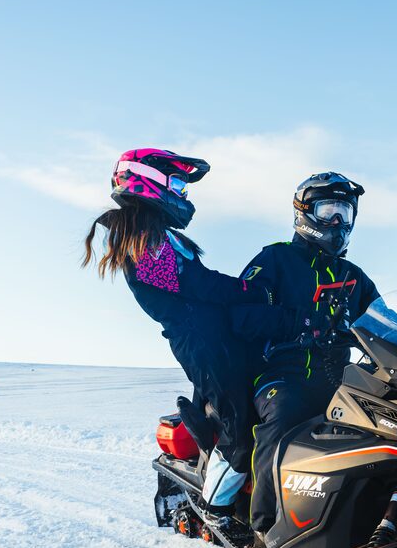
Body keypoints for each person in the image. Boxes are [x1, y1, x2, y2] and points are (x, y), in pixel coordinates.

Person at [82, 148, 270, 516]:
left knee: (257, 414)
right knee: (239, 430)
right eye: (179, 183)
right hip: (201, 343)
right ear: (148, 179)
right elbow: (196, 284)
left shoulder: (155, 234)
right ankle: (216, 508)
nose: (184, 193)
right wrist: (251, 291)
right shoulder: (137, 235)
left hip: (217, 339)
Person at [231, 172, 381, 548]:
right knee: (283, 422)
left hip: (339, 381)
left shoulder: (353, 277)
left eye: (344, 212)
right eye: (328, 210)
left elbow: (382, 321)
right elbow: (242, 316)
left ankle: (375, 521)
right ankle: (265, 528)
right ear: (305, 213)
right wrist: (300, 322)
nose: (337, 222)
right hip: (281, 375)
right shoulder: (275, 260)